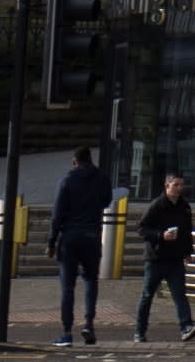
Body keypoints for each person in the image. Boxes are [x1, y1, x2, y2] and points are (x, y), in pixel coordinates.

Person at [48, 147, 111, 347]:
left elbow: (57, 215)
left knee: (68, 286)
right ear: (90, 160)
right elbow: (107, 201)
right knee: (91, 280)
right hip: (92, 235)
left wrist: (51, 242)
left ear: (74, 161)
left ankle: (66, 332)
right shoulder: (102, 178)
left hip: (70, 237)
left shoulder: (66, 180)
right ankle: (89, 324)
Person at [135, 173, 195, 342]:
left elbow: (187, 231)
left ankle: (186, 327)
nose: (180, 188)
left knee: (180, 294)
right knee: (147, 295)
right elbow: (142, 228)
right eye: (176, 185)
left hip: (175, 258)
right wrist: (160, 235)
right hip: (156, 258)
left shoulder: (184, 206)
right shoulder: (157, 205)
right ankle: (139, 331)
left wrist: (187, 252)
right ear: (167, 186)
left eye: (181, 185)